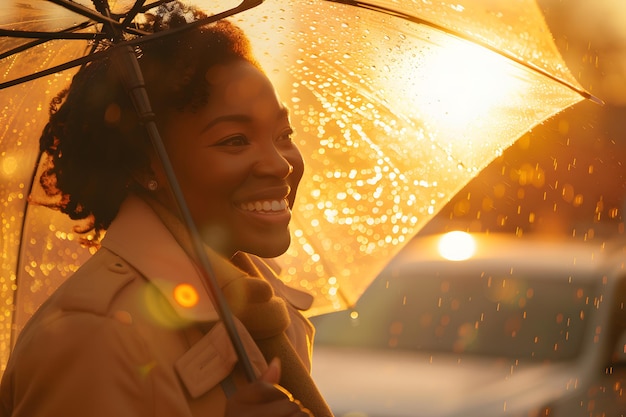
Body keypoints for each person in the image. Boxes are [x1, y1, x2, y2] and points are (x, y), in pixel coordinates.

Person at [0, 2, 333, 417]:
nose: (280, 164)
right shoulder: (94, 334)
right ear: (145, 164)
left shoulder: (258, 303)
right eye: (235, 140)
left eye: (283, 133)